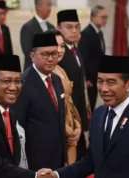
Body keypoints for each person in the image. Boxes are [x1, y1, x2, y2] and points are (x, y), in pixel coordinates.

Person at [40, 55, 129, 178]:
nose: (104, 89)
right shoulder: (99, 114)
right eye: (100, 81)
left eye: (111, 82)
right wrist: (56, 175)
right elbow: (91, 161)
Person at [13, 32, 67, 171]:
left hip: (58, 158)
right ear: (32, 56)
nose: (50, 59)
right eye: (45, 54)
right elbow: (19, 127)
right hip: (35, 161)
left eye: (54, 54)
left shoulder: (56, 80)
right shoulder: (23, 83)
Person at [49, 29, 88, 165]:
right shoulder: (45, 75)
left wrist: (77, 127)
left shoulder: (61, 70)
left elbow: (70, 103)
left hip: (71, 129)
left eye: (62, 46)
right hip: (57, 132)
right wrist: (69, 131)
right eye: (56, 46)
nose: (60, 50)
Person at [57, 9, 90, 152]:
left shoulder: (75, 49)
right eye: (69, 27)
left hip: (80, 111)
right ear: (58, 28)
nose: (74, 31)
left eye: (77, 27)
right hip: (67, 116)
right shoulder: (58, 54)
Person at [78, 5, 107, 112]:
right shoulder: (86, 33)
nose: (105, 20)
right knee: (87, 108)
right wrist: (85, 78)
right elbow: (82, 58)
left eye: (106, 17)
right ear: (93, 17)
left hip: (96, 77)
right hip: (89, 80)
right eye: (102, 17)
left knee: (93, 104)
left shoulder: (99, 32)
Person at [20, 0, 54, 70]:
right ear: (38, 6)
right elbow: (27, 51)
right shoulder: (28, 27)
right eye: (48, 5)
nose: (50, 8)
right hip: (33, 70)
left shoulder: (51, 27)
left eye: (50, 5)